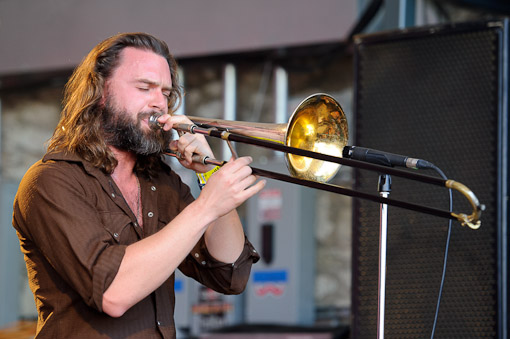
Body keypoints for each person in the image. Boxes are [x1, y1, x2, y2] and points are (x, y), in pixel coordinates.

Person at [12, 32, 265, 338]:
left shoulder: (160, 181)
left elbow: (229, 274)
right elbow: (112, 293)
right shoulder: (51, 181)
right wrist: (206, 206)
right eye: (145, 87)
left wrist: (208, 174)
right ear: (100, 91)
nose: (160, 103)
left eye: (165, 93)